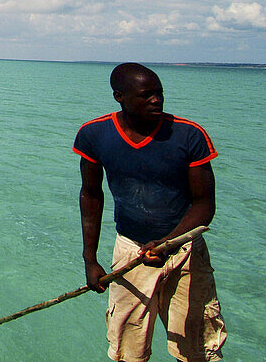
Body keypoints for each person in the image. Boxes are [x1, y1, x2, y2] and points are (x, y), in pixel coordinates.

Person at [74, 63, 227, 362]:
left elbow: (204, 205)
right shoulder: (94, 134)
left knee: (198, 349)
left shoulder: (189, 135)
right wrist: (90, 260)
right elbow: (91, 196)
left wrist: (168, 243)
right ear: (120, 96)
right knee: (127, 350)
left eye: (159, 93)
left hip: (185, 251)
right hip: (131, 252)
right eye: (146, 95)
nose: (156, 100)